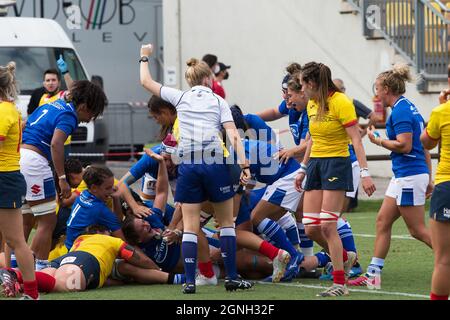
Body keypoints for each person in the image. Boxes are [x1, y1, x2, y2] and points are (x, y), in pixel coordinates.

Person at [140, 44, 253, 294]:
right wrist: (244, 165)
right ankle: (232, 278)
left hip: (188, 166)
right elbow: (233, 135)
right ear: (207, 78)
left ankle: (191, 282)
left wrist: (144, 55)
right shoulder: (218, 100)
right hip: (214, 163)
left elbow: (146, 81)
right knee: (226, 223)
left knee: (190, 225)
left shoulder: (180, 97)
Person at [295, 62, 376, 297]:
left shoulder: (341, 102)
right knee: (310, 228)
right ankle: (345, 258)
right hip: (316, 166)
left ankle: (340, 284)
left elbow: (357, 140)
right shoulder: (311, 103)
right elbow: (312, 140)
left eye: (302, 84)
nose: (301, 89)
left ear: (311, 83)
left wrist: (365, 172)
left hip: (337, 163)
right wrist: (302, 168)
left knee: (328, 226)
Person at [350, 64, 433, 290]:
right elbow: (423, 146)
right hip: (406, 176)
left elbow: (405, 146)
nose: (376, 94)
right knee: (382, 221)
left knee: (417, 230)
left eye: (377, 88)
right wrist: (430, 176)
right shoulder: (406, 107)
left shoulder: (401, 111)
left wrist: (378, 141)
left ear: (387, 89)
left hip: (409, 176)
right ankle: (373, 276)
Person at [20, 80, 107, 270]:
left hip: (21, 158)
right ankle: (40, 270)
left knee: (26, 220)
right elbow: (56, 144)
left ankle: (15, 269)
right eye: (92, 113)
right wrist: (62, 179)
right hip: (35, 162)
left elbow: (24, 125)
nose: (89, 119)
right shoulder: (69, 115)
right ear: (83, 106)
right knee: (48, 220)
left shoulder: (53, 104)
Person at [0, 225, 184, 296]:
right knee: (63, 286)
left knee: (50, 283)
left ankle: (18, 281)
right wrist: (156, 267)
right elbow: (137, 258)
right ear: (101, 232)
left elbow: (99, 278)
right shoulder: (111, 240)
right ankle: (14, 274)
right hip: (86, 261)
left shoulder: (80, 241)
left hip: (66, 260)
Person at [0, 62, 39, 300]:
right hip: (6, 177)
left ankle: (32, 294)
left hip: (5, 178)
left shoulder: (5, 110)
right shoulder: (6, 108)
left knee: (16, 240)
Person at [420, 79, 450, 300]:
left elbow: (426, 142)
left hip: (447, 184)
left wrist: (441, 105)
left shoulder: (442, 111)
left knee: (444, 260)